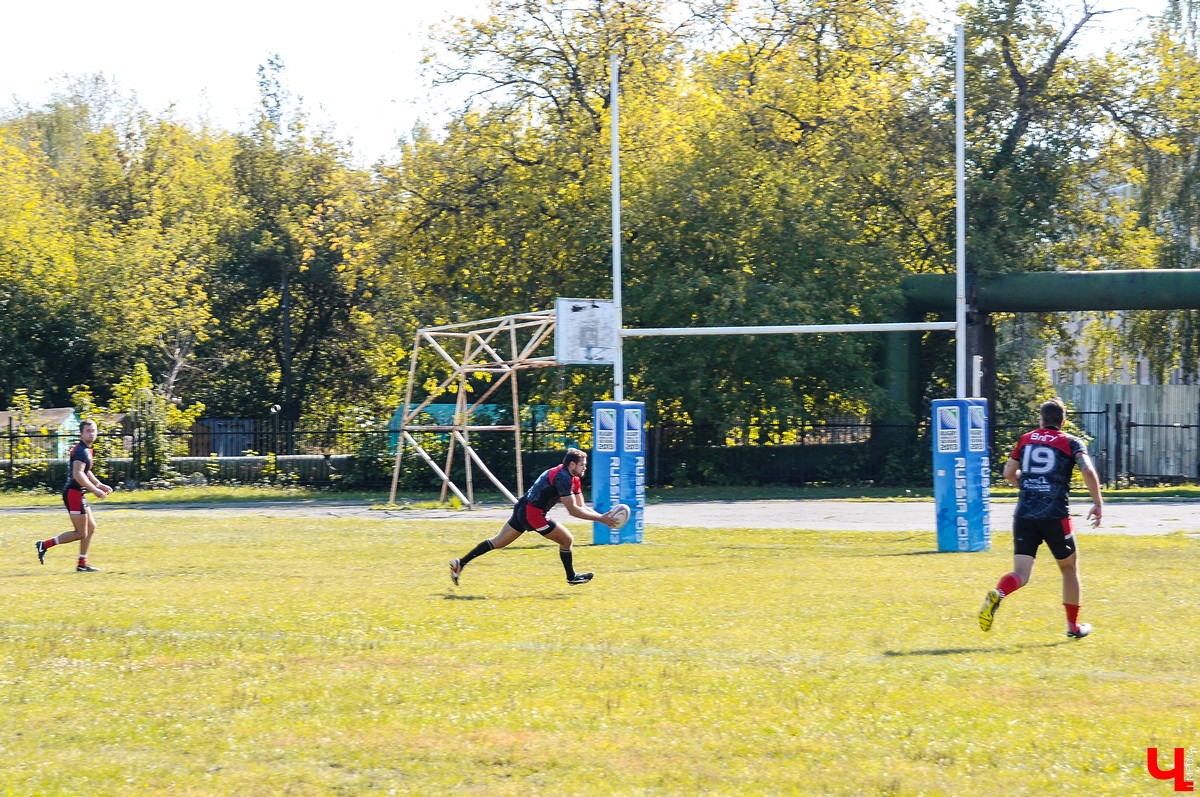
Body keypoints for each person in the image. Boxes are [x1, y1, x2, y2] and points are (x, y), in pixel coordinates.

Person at [978, 398, 1102, 638]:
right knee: (1069, 568)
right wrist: (1097, 503)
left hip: (1024, 514)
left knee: (1021, 574)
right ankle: (1072, 627)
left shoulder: (1026, 439)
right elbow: (1087, 470)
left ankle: (999, 593)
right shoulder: (1071, 441)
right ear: (1063, 421)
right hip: (1055, 515)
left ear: (1041, 421)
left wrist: (1028, 485)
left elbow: (1008, 473)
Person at [449, 448, 621, 586]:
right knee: (567, 540)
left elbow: (581, 505)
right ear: (572, 464)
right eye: (582, 464)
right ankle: (571, 577)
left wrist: (601, 517)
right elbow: (573, 511)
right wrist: (601, 520)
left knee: (498, 542)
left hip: (524, 507)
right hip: (533, 513)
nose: (585, 467)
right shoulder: (563, 478)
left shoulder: (573, 477)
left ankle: (460, 563)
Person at [36, 419, 112, 572]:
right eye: (88, 431)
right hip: (73, 494)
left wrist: (99, 484)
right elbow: (78, 475)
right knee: (80, 533)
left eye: (94, 430)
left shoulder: (88, 449)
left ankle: (82, 563)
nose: (92, 434)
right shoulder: (81, 451)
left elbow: (86, 471)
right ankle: (44, 545)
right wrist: (94, 490)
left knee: (91, 527)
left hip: (78, 493)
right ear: (81, 433)